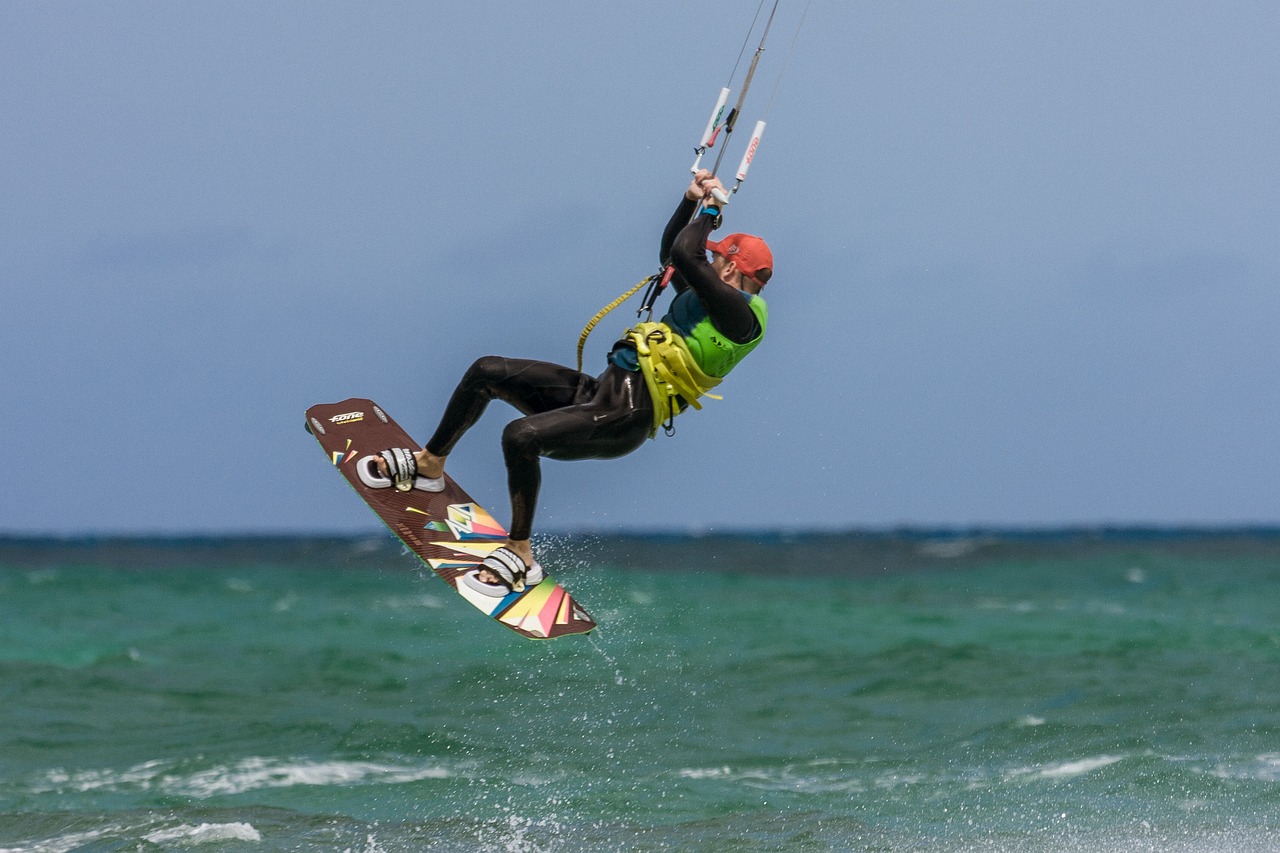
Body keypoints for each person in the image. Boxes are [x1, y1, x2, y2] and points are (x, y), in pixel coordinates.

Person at [373, 169, 774, 596]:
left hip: (626, 416)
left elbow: (685, 252)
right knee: (487, 371)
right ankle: (429, 464)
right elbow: (672, 255)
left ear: (730, 269)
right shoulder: (708, 299)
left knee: (520, 437)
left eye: (718, 258)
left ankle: (521, 554)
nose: (710, 262)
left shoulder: (741, 319)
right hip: (599, 394)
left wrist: (710, 212)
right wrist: (690, 200)